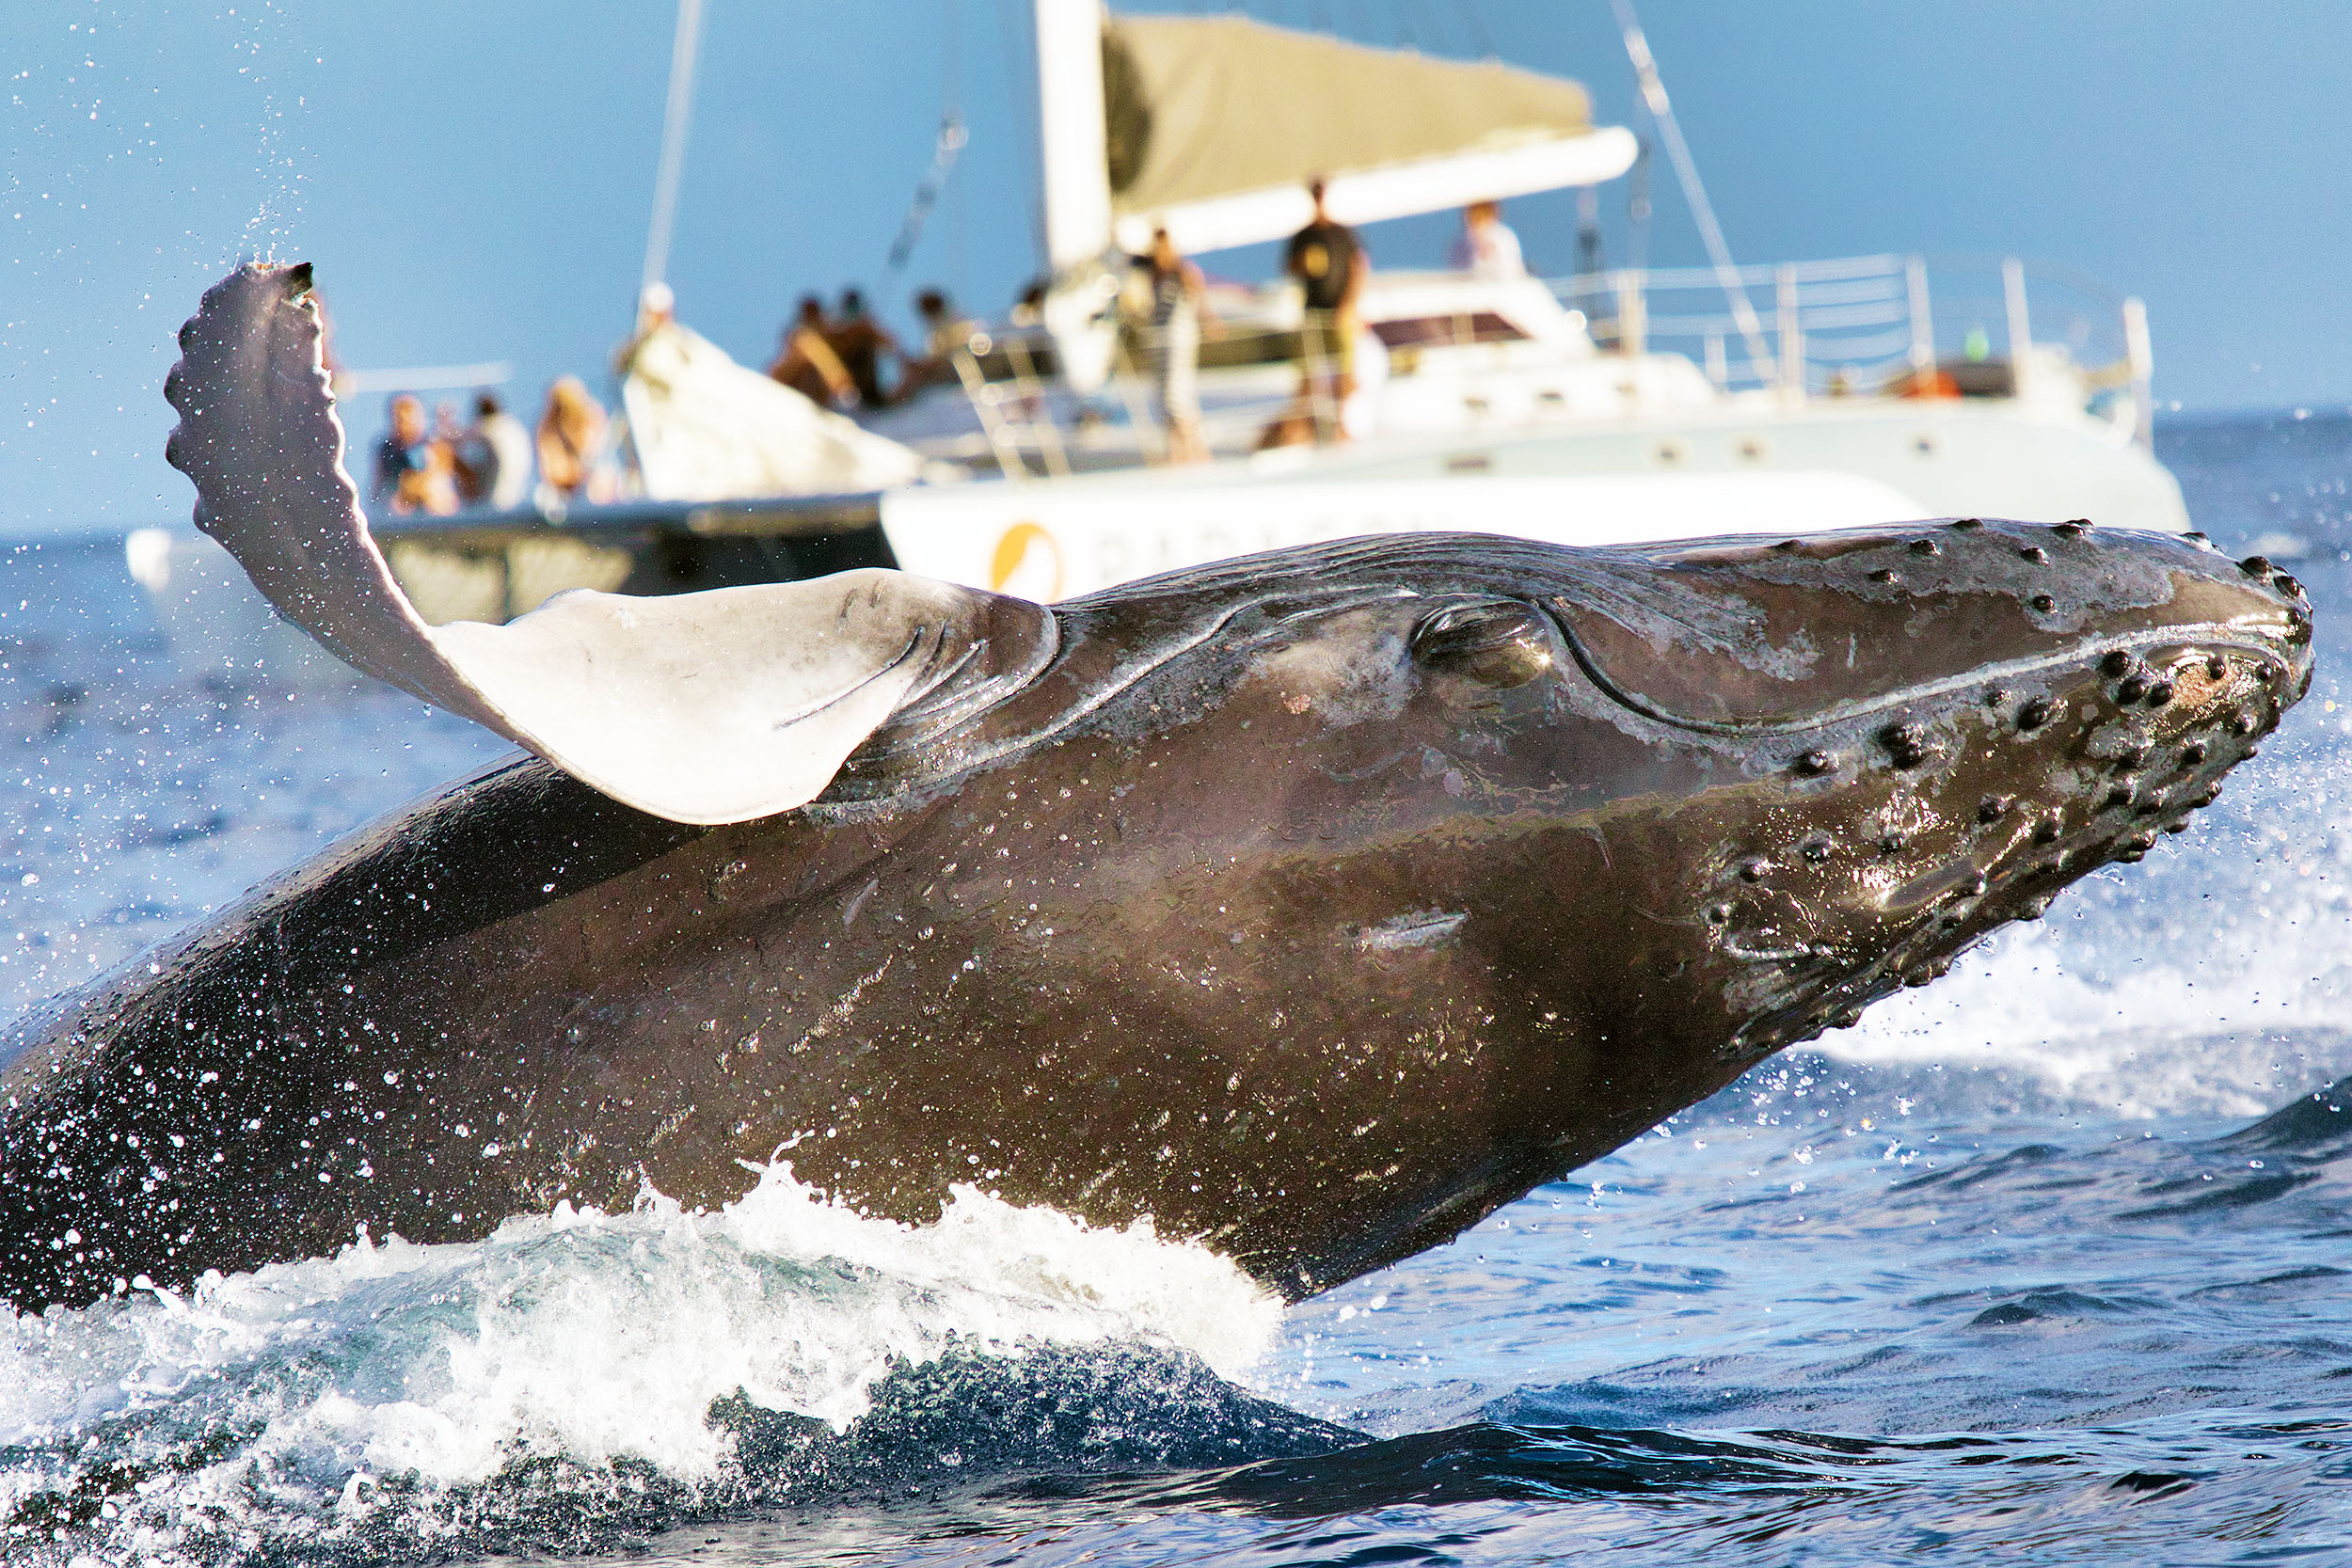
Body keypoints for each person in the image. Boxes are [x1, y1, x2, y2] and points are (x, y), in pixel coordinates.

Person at [1282, 178, 1366, 441]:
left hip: (1339, 313)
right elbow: (1289, 268)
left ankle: (1341, 425)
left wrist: (1348, 304)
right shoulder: (1303, 236)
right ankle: (1308, 427)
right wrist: (1303, 265)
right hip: (1313, 312)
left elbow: (1358, 267)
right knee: (1308, 373)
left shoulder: (1342, 233)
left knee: (1345, 373)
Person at [1142, 228, 1217, 465]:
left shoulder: (1182, 271)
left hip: (1179, 339)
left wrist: (1209, 320)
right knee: (1165, 395)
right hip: (1160, 341)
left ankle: (1194, 450)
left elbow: (1199, 298)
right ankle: (1177, 451)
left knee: (1178, 394)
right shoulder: (1154, 275)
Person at [371, 392, 458, 516]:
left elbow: (441, 486)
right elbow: (378, 488)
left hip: (433, 509)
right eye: (398, 419)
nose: (402, 425)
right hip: (399, 511)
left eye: (406, 418)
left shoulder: (434, 446)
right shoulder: (386, 450)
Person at [767, 295, 856, 408]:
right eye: (809, 315)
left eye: (815, 315)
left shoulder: (828, 335)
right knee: (808, 342)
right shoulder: (800, 337)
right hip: (788, 387)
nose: (813, 320)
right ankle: (843, 388)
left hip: (818, 393)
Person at [535, 376, 614, 503]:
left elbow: (594, 452)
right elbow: (551, 467)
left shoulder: (590, 418)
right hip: (566, 491)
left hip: (593, 490)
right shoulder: (549, 426)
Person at [894, 287, 978, 401]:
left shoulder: (955, 322)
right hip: (941, 369)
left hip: (959, 370)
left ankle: (895, 403)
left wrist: (924, 365)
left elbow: (957, 352)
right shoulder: (934, 328)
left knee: (915, 375)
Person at [826, 287, 899, 408]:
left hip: (867, 389)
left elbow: (890, 346)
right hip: (841, 387)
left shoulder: (866, 328)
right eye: (850, 306)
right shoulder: (836, 330)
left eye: (854, 306)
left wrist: (869, 327)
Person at [467, 393, 533, 509]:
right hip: (516, 494)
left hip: (497, 499)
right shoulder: (513, 427)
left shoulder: (489, 428)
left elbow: (469, 436)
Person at [1449, 199, 1526, 280]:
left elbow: (1512, 274)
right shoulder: (1459, 245)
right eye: (1474, 212)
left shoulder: (1505, 238)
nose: (1478, 218)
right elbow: (1456, 278)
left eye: (1483, 212)